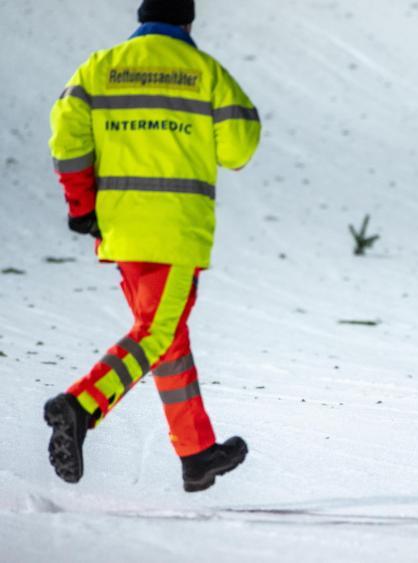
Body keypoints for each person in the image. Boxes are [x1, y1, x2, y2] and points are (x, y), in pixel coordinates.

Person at [44, 0, 261, 492]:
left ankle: (196, 452)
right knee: (157, 334)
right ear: (187, 21)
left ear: (142, 18)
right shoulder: (203, 71)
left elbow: (66, 138)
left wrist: (82, 206)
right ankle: (81, 406)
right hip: (175, 231)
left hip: (120, 230)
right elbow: (239, 147)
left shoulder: (100, 68)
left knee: (165, 336)